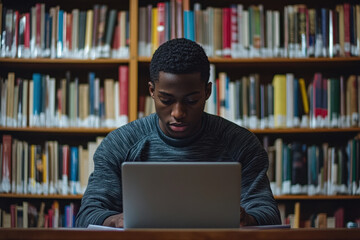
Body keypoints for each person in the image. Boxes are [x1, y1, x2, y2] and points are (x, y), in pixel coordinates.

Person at [75, 38, 281, 228]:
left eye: (191, 100)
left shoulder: (241, 144)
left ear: (207, 92)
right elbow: (87, 215)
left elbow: (269, 214)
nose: (178, 113)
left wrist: (248, 218)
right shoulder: (120, 144)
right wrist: (115, 219)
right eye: (166, 100)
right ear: (151, 91)